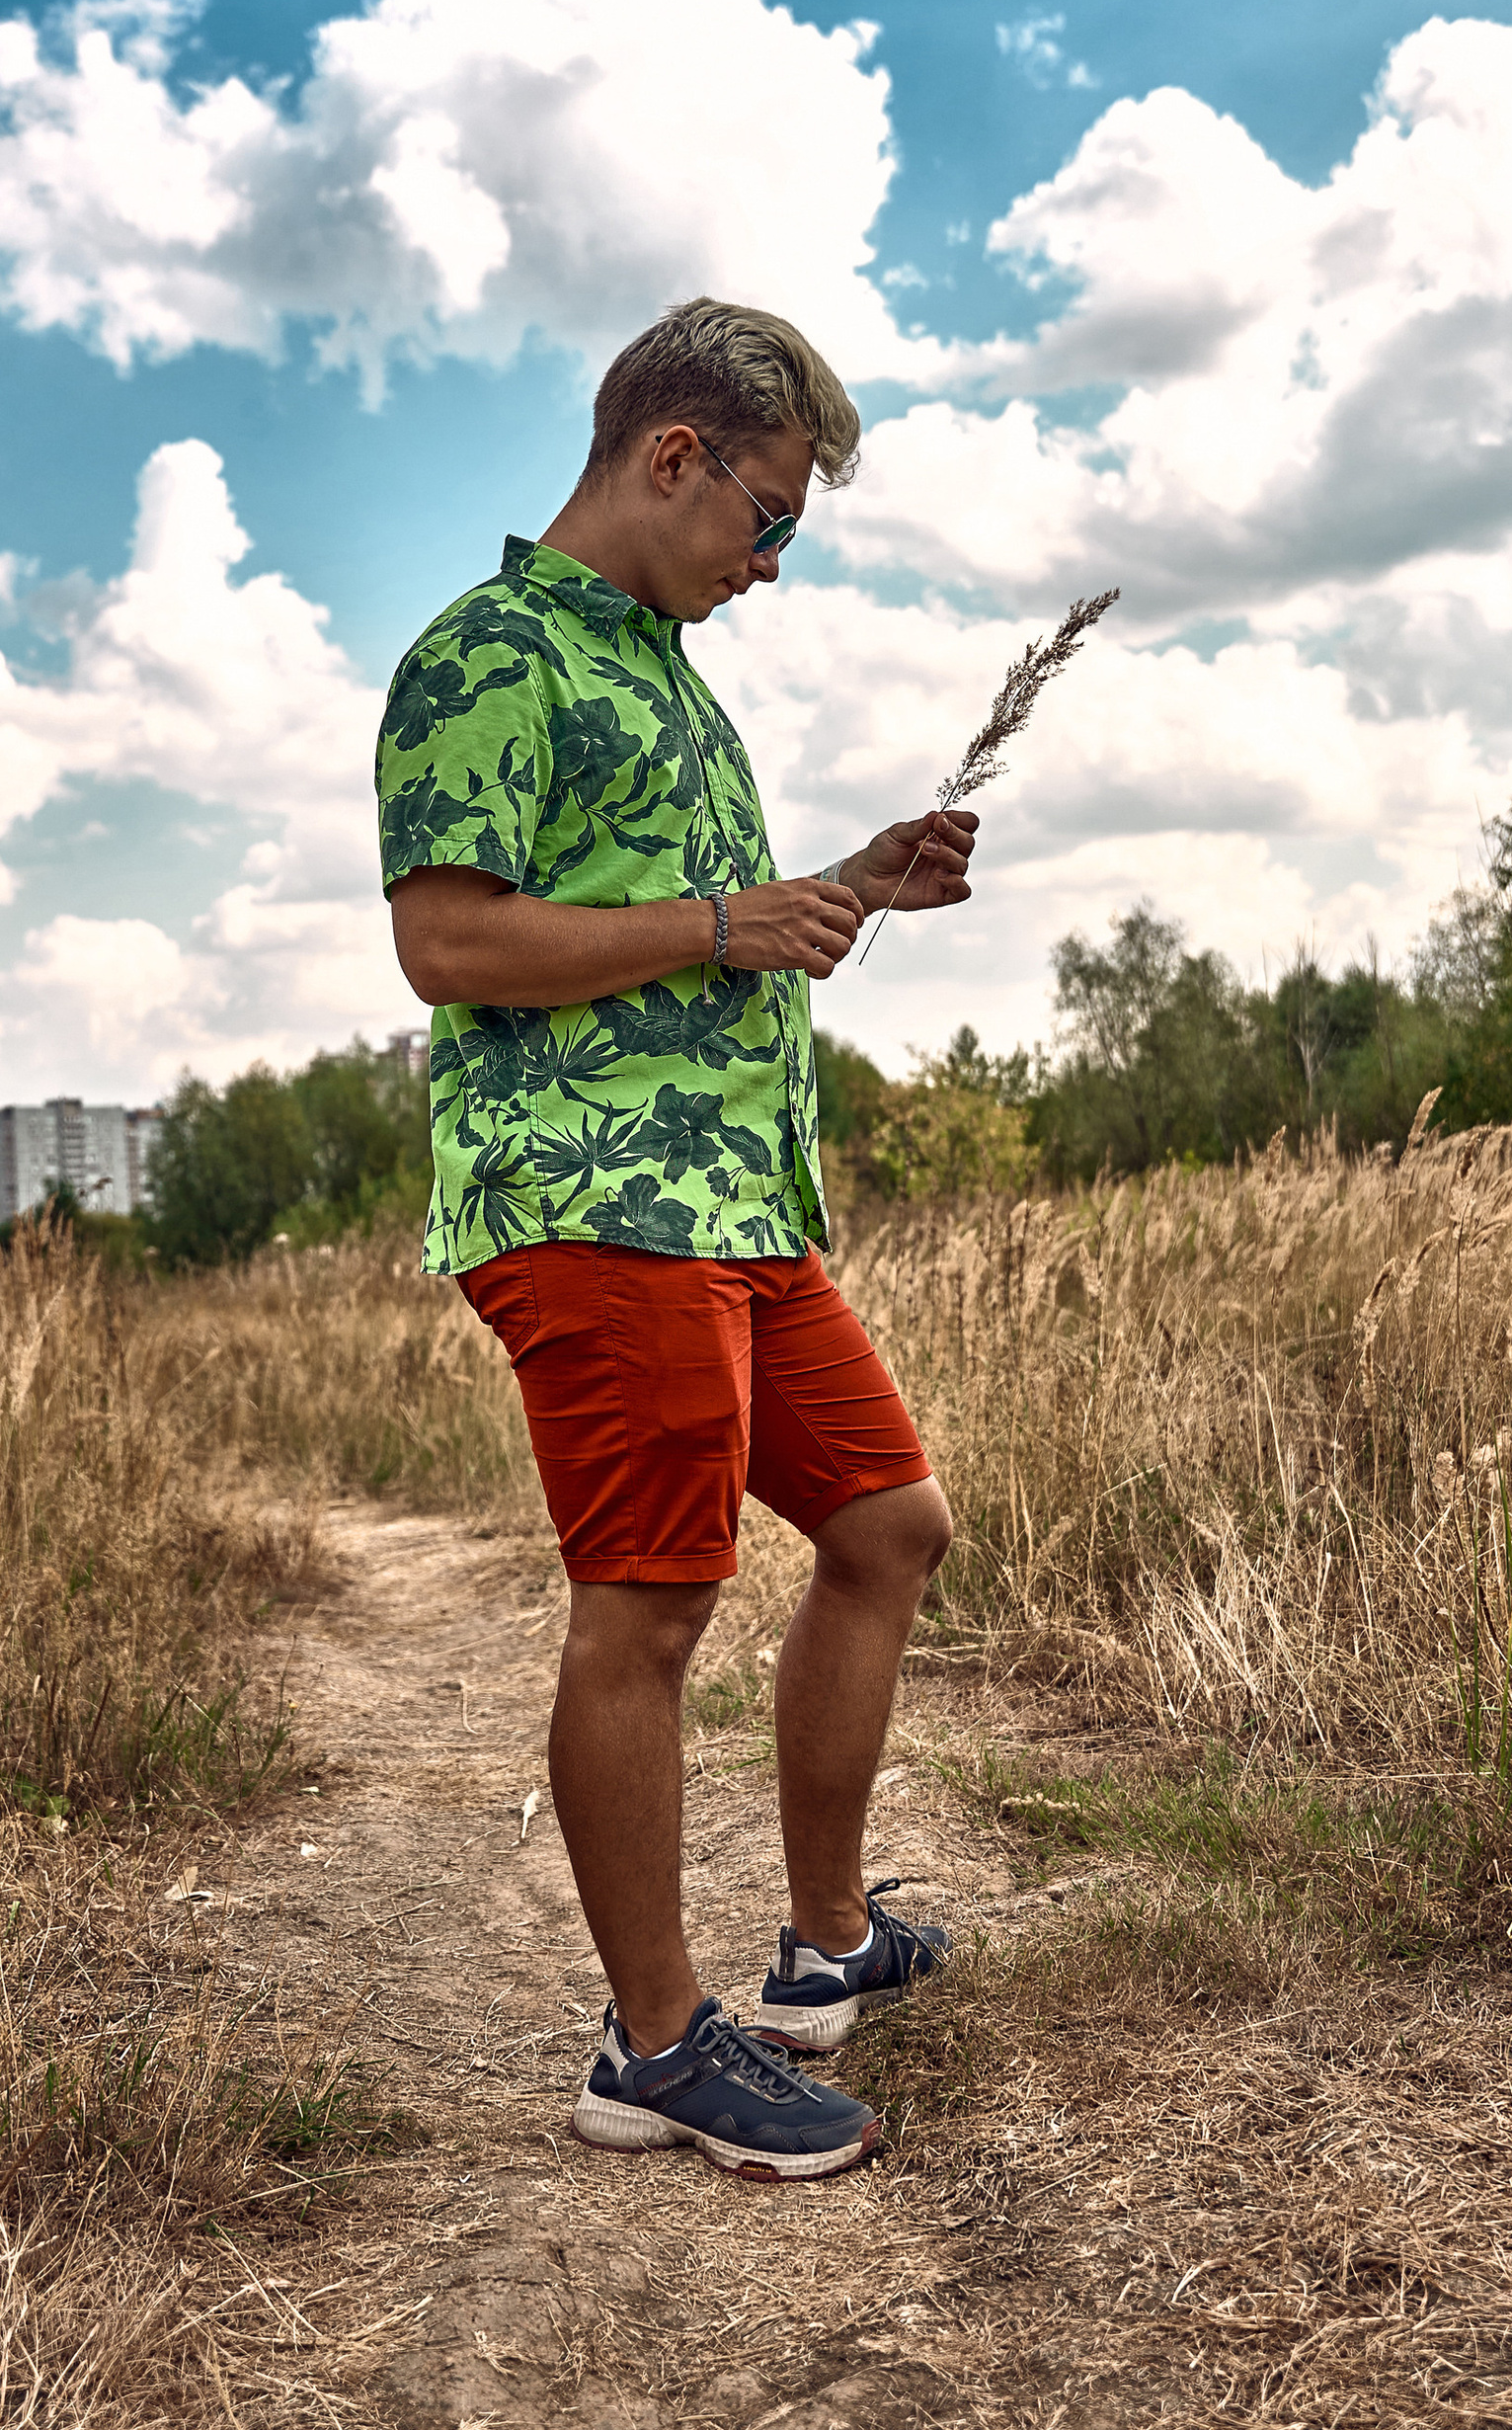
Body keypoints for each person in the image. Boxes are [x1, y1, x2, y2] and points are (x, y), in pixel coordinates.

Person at [376, 296, 978, 2182]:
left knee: (889, 1526)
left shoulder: (664, 667)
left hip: (740, 1207)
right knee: (647, 1605)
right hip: (592, 1204)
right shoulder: (486, 658)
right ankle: (650, 2049)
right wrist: (731, 921)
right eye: (770, 517)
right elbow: (448, 942)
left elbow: (698, 920)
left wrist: (851, 887)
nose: (775, 560)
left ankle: (821, 1951)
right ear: (673, 458)